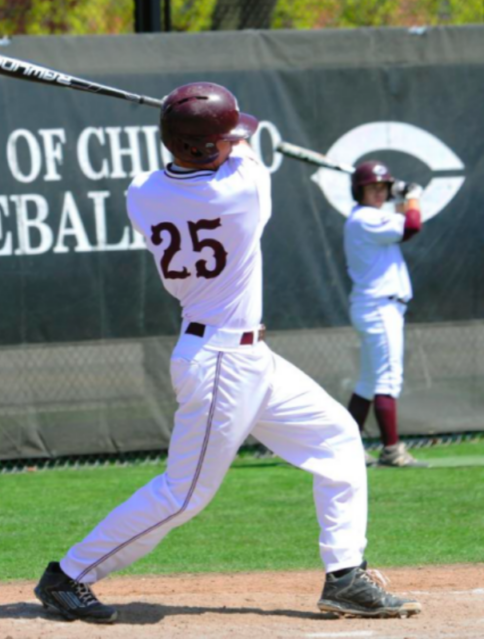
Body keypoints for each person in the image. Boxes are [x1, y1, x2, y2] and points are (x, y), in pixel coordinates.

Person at [32, 83, 421, 623]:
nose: (232, 142)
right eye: (221, 137)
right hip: (220, 362)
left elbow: (215, 147)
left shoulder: (141, 191)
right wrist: (224, 124)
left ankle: (345, 576)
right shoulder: (243, 189)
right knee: (184, 494)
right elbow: (246, 138)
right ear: (202, 145)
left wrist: (198, 124)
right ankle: (68, 575)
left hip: (246, 356)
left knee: (337, 436)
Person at [344, 162, 426, 468]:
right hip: (380, 307)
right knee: (387, 381)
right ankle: (392, 451)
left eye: (383, 187)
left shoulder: (368, 218)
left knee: (368, 382)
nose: (378, 193)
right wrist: (413, 196)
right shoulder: (366, 219)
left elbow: (403, 223)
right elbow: (411, 226)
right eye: (372, 188)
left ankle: (346, 448)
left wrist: (402, 195)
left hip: (378, 305)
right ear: (359, 191)